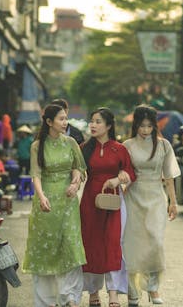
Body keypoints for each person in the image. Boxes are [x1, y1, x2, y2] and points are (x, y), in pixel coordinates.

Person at [22, 104, 87, 307]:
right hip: (46, 203)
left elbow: (78, 167)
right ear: (49, 122)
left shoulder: (71, 143)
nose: (65, 122)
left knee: (70, 245)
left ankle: (70, 297)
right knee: (46, 248)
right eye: (61, 119)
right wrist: (41, 197)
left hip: (68, 202)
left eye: (66, 118)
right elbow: (36, 175)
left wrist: (74, 184)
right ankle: (47, 301)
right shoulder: (37, 146)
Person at [123, 104, 180, 306]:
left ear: (154, 125)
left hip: (156, 196)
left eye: (149, 125)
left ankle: (153, 287)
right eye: (142, 125)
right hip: (133, 196)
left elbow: (170, 176)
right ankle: (133, 290)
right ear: (136, 125)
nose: (145, 130)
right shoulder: (127, 146)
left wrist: (173, 202)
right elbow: (124, 174)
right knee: (132, 244)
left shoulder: (164, 145)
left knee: (156, 242)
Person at [79, 107, 136, 307]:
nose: (93, 125)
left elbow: (130, 172)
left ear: (109, 126)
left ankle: (113, 294)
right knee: (91, 244)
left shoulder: (119, 149)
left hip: (113, 201)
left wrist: (117, 179)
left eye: (98, 122)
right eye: (91, 121)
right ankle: (93, 292)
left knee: (113, 244)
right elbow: (76, 172)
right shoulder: (85, 148)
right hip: (89, 201)